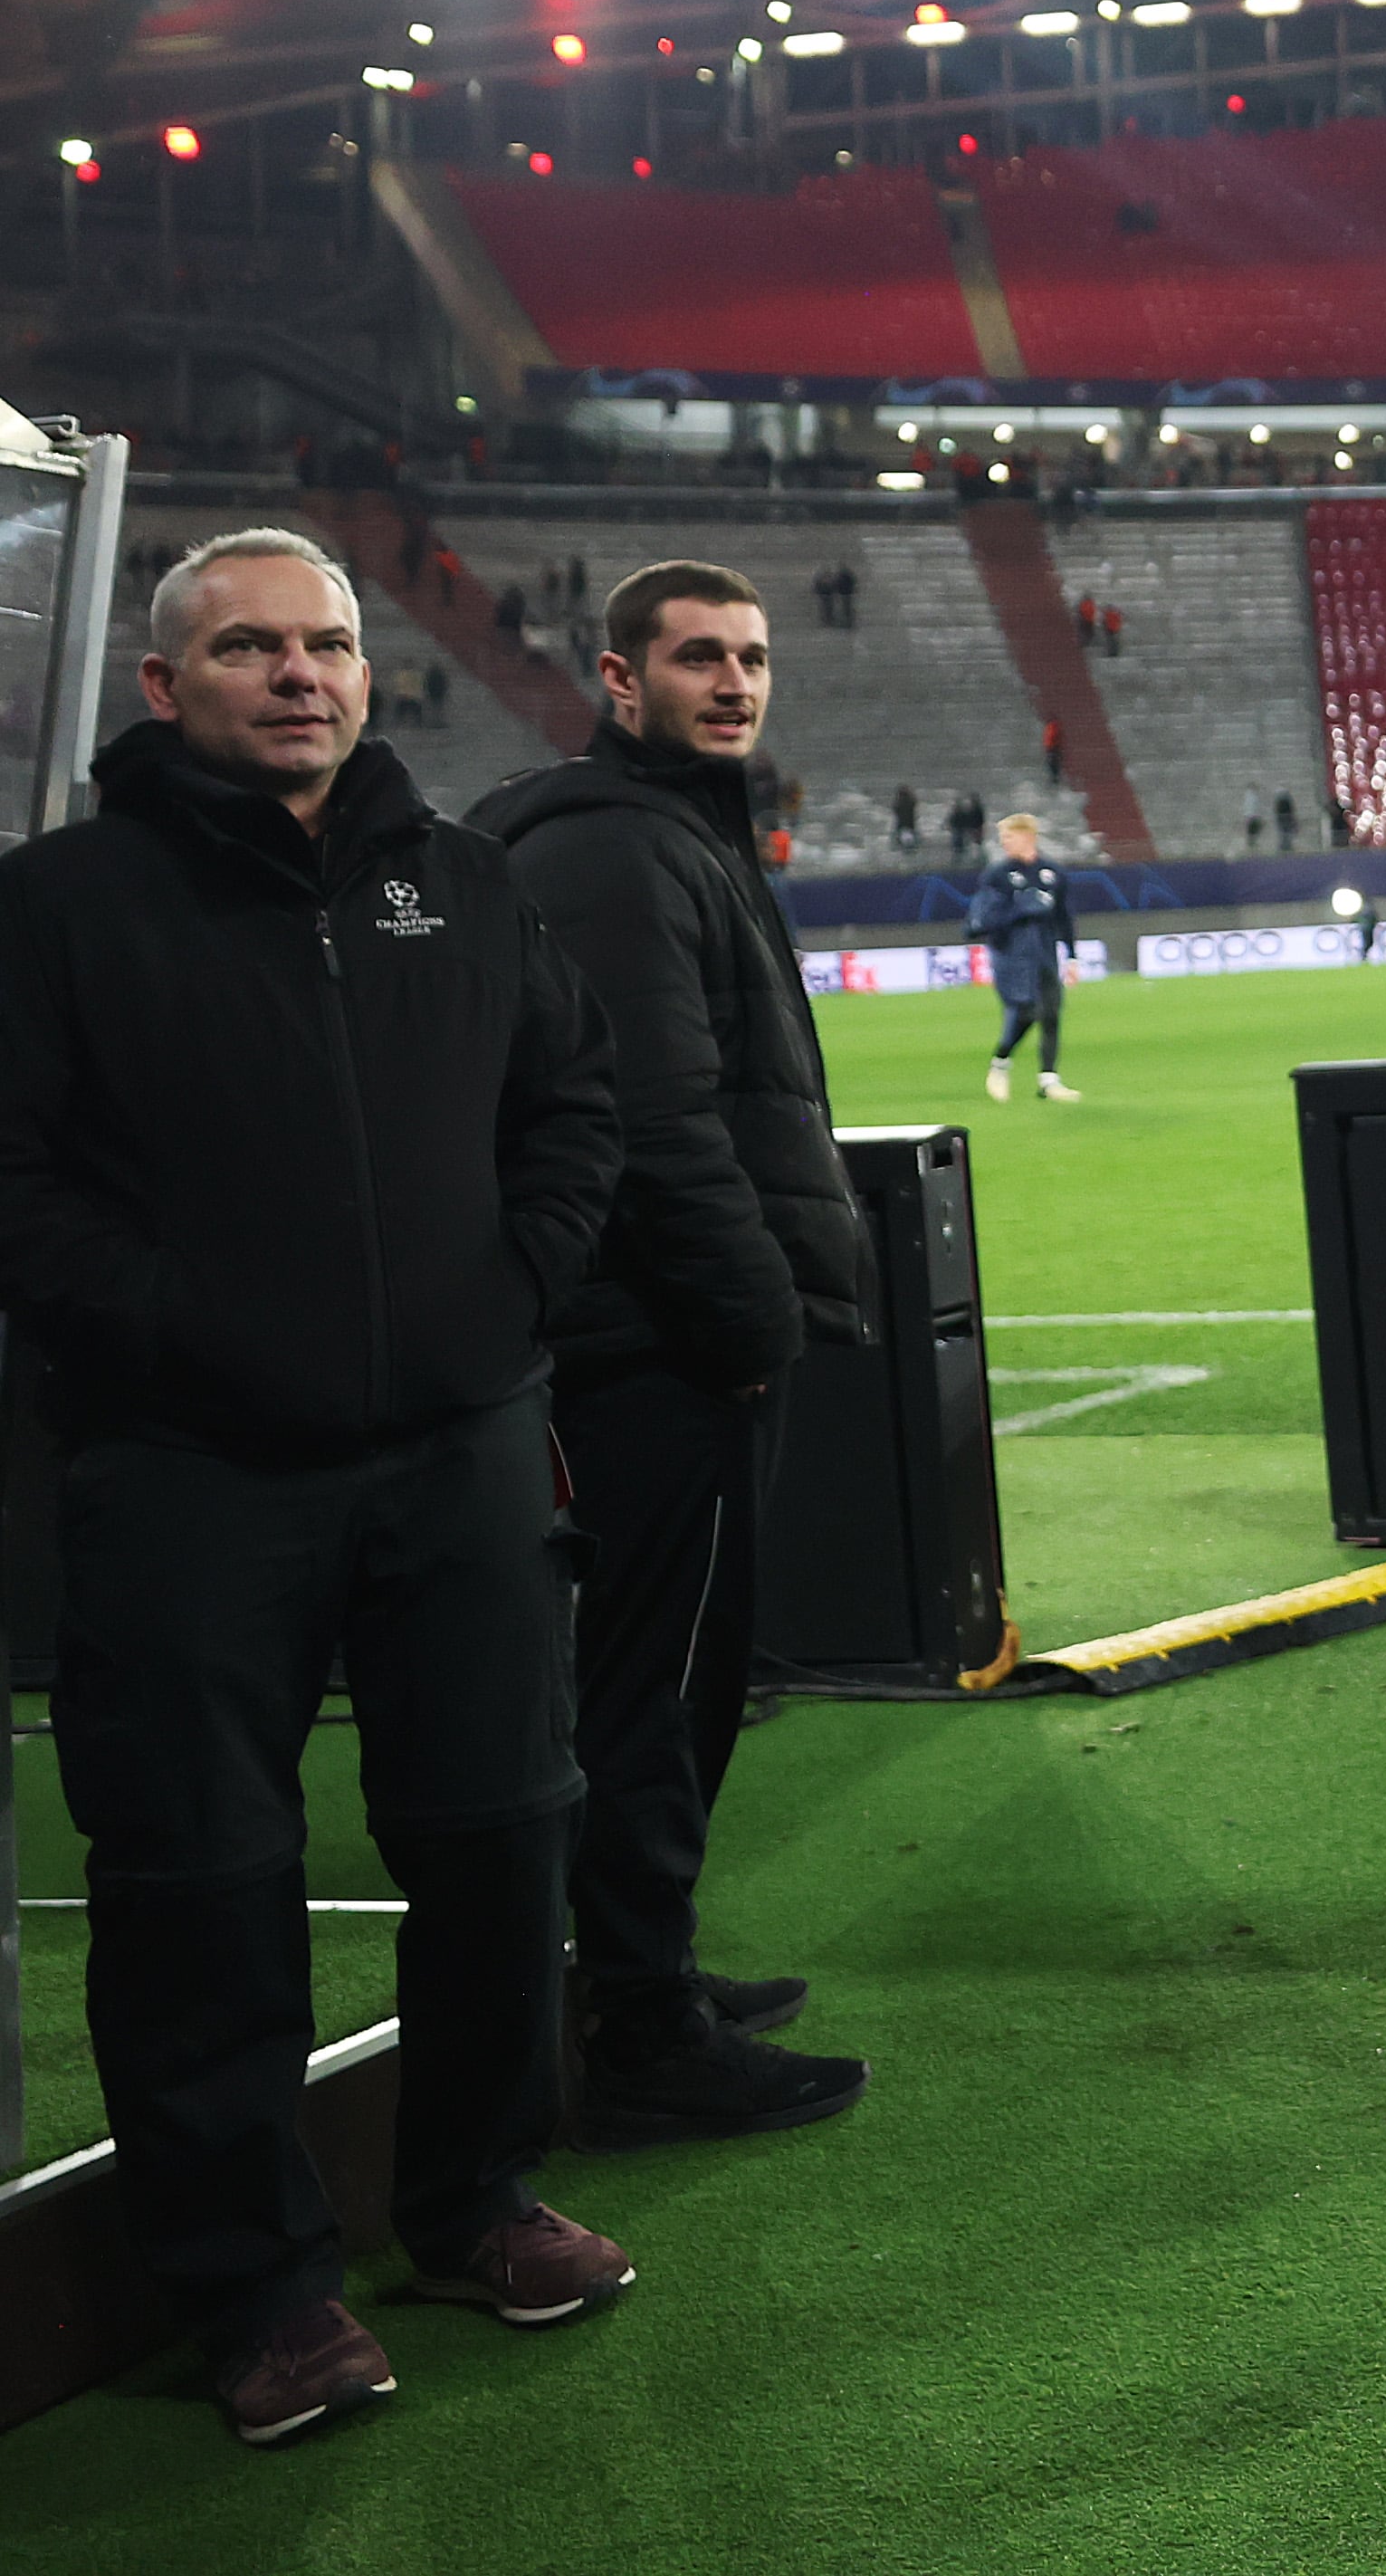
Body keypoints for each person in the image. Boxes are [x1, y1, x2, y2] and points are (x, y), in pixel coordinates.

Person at [0, 529, 634, 2446]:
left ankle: (471, 2202)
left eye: (329, 643)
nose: (300, 673)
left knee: (502, 1833)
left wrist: (505, 1298)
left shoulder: (467, 884)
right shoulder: (54, 908)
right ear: (162, 684)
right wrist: (190, 1337)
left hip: (453, 1457)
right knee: (201, 1880)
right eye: (251, 645)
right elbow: (18, 1186)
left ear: (371, 673)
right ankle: (257, 2290)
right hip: (185, 1473)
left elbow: (574, 1111)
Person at [470, 561, 877, 2150]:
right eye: (698, 654)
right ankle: (640, 2021)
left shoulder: (646, 829)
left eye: (753, 655)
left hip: (647, 1336)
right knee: (658, 1684)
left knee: (668, 1675)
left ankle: (650, 1971)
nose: (734, 678)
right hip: (657, 1346)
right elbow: (654, 1123)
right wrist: (754, 1323)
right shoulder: (622, 847)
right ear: (619, 677)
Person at [970, 812, 1079, 1099]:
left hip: (1044, 954)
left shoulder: (1051, 873)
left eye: (1009, 836)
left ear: (1027, 837)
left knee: (1052, 1012)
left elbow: (1063, 918)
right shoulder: (998, 876)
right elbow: (984, 920)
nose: (1004, 843)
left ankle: (1048, 1080)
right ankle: (1001, 1061)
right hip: (1011, 956)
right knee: (1027, 1010)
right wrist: (1021, 909)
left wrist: (1072, 957)